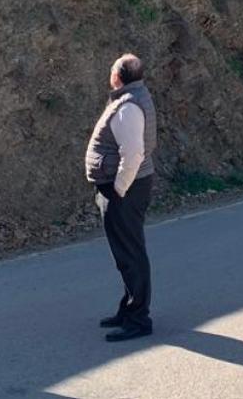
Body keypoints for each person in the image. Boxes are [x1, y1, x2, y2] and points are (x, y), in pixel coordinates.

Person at [85, 53, 157, 342]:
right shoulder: (134, 97)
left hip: (126, 188)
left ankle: (138, 318)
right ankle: (128, 310)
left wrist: (118, 189)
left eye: (112, 70)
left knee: (130, 253)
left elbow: (134, 154)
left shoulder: (129, 107)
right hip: (127, 186)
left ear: (118, 76)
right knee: (126, 252)